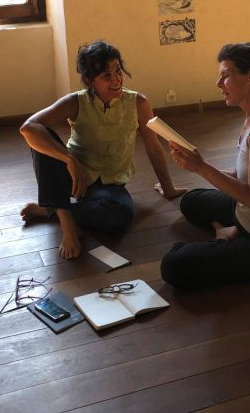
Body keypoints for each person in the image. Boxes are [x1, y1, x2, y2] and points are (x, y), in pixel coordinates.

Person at [160, 43, 250, 289]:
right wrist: (196, 165)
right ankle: (229, 230)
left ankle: (230, 235)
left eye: (226, 76)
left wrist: (201, 167)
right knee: (191, 201)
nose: (219, 84)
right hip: (246, 215)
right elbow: (242, 177)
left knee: (173, 264)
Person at [20, 41, 184, 259]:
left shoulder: (138, 103)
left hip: (108, 186)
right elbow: (28, 128)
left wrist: (168, 188)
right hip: (72, 177)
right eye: (106, 75)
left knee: (118, 216)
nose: (116, 80)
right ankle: (67, 224)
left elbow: (153, 147)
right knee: (40, 137)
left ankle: (53, 209)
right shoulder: (76, 102)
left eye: (118, 71)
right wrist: (69, 160)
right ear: (90, 79)